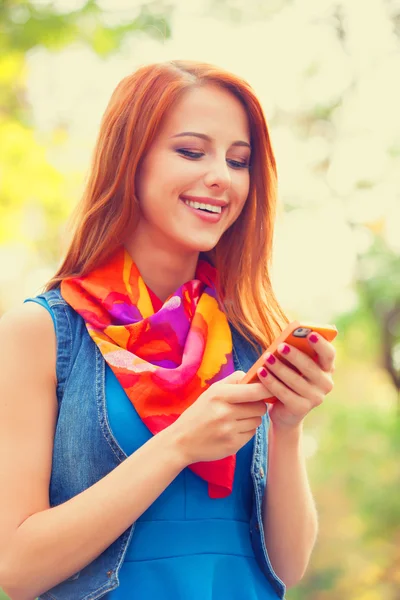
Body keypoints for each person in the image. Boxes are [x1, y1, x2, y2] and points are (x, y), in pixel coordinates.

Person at [0, 60, 336, 600]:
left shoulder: (247, 338)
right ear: (128, 161)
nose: (222, 177)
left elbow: (287, 567)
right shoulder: (40, 333)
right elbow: (13, 570)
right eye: (190, 151)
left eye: (238, 160)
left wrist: (288, 428)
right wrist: (179, 444)